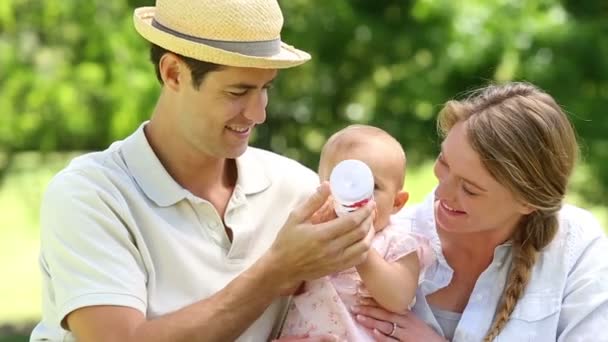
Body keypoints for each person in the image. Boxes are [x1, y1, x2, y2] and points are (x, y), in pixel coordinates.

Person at [30, 1, 376, 341]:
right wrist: (277, 271)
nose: (258, 114)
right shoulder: (90, 196)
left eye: (265, 89)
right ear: (173, 73)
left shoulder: (299, 190)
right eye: (238, 91)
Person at [349, 82, 608, 341]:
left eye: (470, 189)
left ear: (528, 202)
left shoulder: (576, 246)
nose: (442, 194)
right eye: (444, 163)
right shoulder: (387, 237)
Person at [280, 125, 435, 340]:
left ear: (397, 202)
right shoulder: (315, 236)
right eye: (339, 183)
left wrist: (361, 251)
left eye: (373, 187)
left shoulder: (399, 242)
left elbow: (398, 299)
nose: (354, 199)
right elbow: (286, 287)